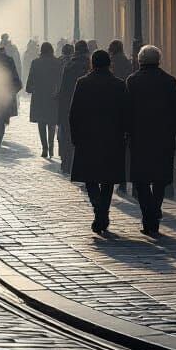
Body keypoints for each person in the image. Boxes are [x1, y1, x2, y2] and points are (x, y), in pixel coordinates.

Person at [126, 45, 176, 235]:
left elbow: (126, 112)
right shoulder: (169, 81)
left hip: (139, 139)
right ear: (158, 60)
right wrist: (170, 132)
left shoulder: (132, 81)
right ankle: (155, 209)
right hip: (163, 139)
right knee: (160, 179)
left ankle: (148, 216)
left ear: (140, 60)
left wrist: (128, 132)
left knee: (141, 180)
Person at [69, 49, 127, 235]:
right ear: (109, 64)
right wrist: (124, 134)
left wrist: (75, 137)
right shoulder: (119, 84)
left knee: (90, 177)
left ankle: (98, 210)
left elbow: (74, 113)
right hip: (112, 138)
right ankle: (103, 211)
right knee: (108, 179)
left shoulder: (83, 83)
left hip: (87, 137)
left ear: (92, 63)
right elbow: (125, 113)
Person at [26, 41, 64, 159]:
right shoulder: (57, 62)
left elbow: (31, 78)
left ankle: (44, 147)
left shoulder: (35, 62)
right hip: (52, 96)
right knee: (52, 122)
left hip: (39, 96)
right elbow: (60, 79)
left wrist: (29, 88)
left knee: (41, 122)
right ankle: (51, 147)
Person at [56, 40, 88, 174]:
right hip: (86, 107)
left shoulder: (69, 66)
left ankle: (66, 163)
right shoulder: (89, 66)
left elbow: (63, 90)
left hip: (69, 106)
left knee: (67, 136)